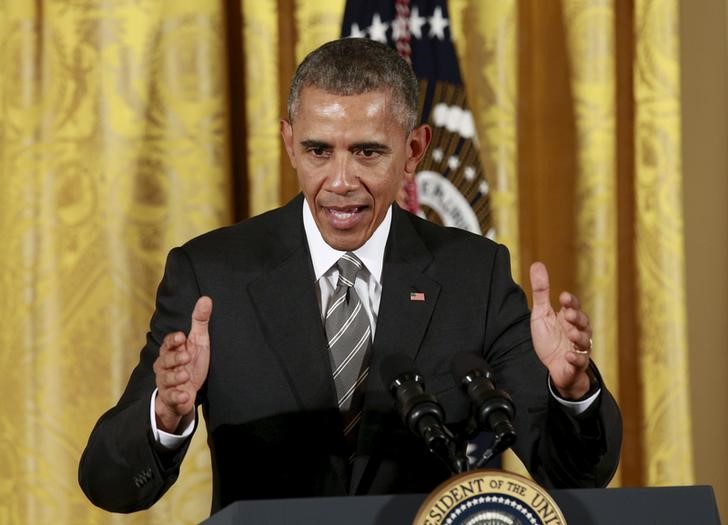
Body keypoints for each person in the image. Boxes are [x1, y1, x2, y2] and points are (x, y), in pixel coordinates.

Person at [79, 37, 621, 514]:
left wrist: (571, 390)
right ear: (290, 142)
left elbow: (575, 476)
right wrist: (167, 415)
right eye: (319, 150)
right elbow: (109, 484)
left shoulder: (472, 277)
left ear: (413, 151)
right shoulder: (212, 275)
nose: (340, 181)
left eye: (367, 152)